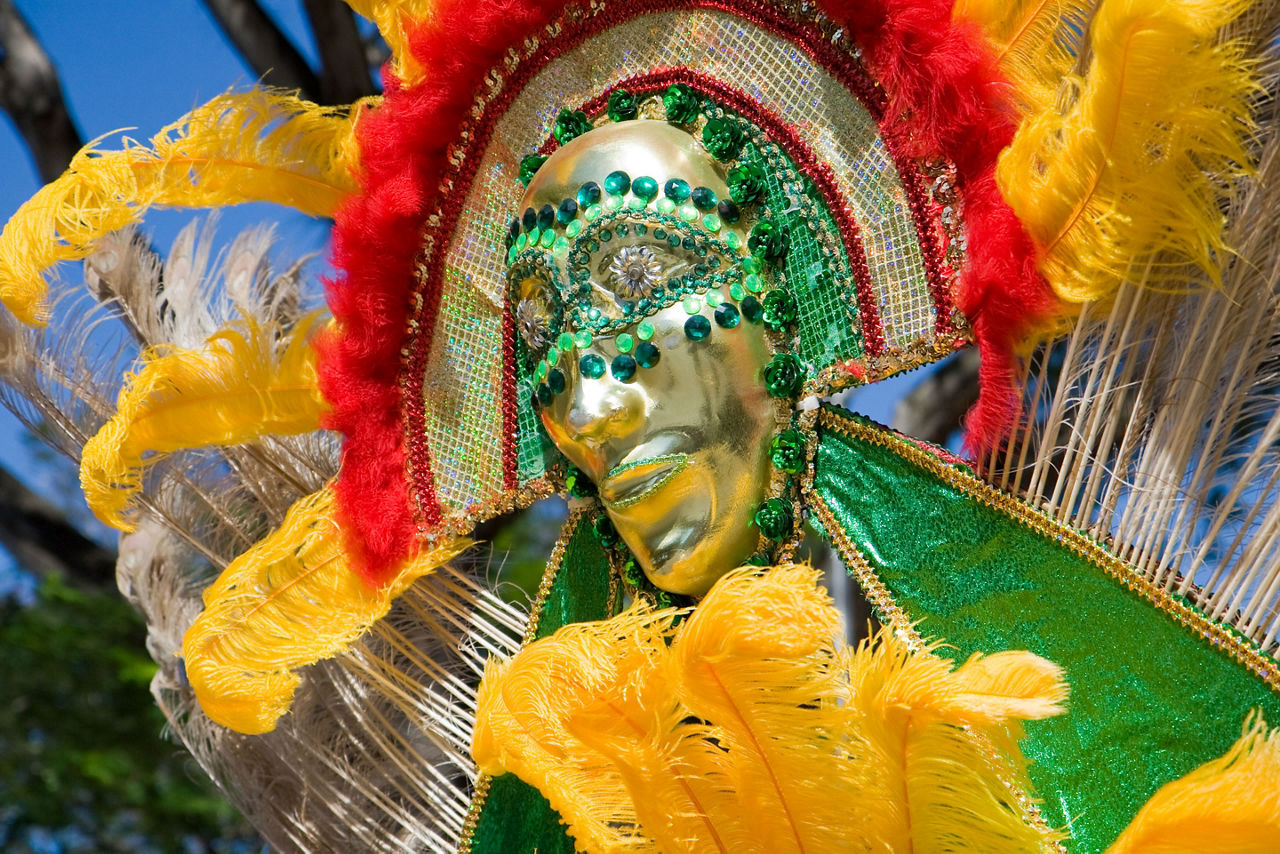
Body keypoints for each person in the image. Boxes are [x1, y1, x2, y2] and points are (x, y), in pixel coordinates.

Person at [2, 0, 1278, 850]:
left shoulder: (1038, 676)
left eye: (633, 312)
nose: (591, 403)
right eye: (546, 363)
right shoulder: (554, 751)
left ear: (778, 325)